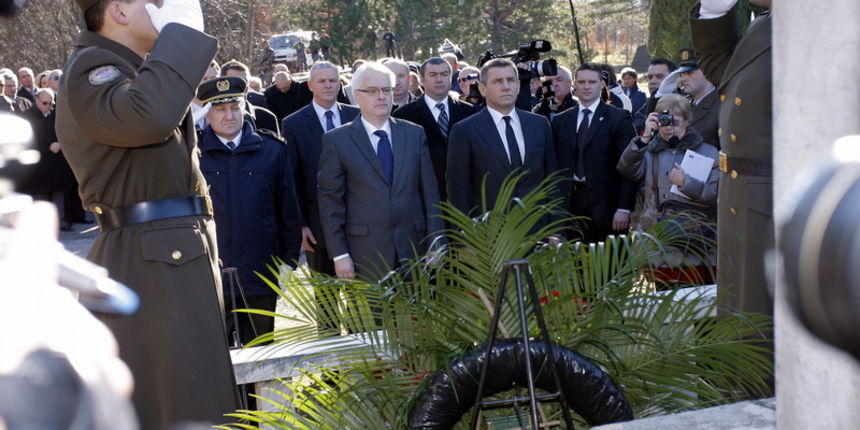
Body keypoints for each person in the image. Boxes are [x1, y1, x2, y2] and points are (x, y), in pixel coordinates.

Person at [54, 1, 238, 427]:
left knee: (194, 392)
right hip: (151, 259)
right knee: (181, 402)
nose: (163, 8)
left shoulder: (129, 69)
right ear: (118, 10)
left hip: (165, 255)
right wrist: (183, 36)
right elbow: (147, 117)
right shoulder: (93, 67)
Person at [196, 76, 301, 345]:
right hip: (211, 273)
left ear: (244, 108)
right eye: (220, 109)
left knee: (261, 350)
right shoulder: (194, 156)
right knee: (219, 354)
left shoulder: (272, 150)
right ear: (207, 114)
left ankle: (256, 391)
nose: (229, 115)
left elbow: (287, 210)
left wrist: (288, 261)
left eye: (234, 107)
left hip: (259, 270)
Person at [317, 62, 443, 281]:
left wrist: (436, 242)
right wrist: (340, 254)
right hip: (365, 252)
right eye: (373, 91)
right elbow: (330, 203)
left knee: (415, 314)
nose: (381, 96)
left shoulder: (414, 134)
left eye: (386, 90)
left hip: (415, 248)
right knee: (372, 315)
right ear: (357, 96)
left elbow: (430, 194)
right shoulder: (337, 140)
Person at [690, 0, 774, 316]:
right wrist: (714, 10)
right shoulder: (765, 24)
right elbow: (723, 71)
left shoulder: (815, 28)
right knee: (737, 314)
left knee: (759, 323)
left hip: (770, 198)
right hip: (741, 195)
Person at [447, 58, 558, 224]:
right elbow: (458, 192)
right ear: (482, 89)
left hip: (537, 232)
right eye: (498, 81)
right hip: (488, 236)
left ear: (519, 86)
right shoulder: (464, 131)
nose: (506, 86)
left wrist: (556, 232)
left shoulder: (539, 125)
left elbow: (552, 182)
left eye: (511, 80)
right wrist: (464, 242)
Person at [281, 61, 360, 278]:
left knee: (362, 298)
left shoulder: (357, 116)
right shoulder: (293, 124)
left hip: (359, 220)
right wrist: (302, 225)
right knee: (326, 302)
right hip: (317, 225)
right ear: (310, 86)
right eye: (322, 81)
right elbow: (292, 177)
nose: (328, 85)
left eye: (333, 80)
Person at [616, 93, 719, 256]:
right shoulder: (649, 150)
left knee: (694, 281)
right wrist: (644, 137)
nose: (669, 127)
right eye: (664, 121)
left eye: (675, 122)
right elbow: (627, 169)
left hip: (696, 238)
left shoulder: (708, 153)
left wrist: (686, 182)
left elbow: (715, 196)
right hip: (656, 238)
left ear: (687, 121)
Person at [552, 62, 637, 243]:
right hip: (570, 208)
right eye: (581, 82)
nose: (586, 86)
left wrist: (624, 207)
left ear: (602, 84)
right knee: (576, 268)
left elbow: (630, 165)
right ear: (574, 84)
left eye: (592, 82)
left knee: (608, 268)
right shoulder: (561, 121)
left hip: (608, 209)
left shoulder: (619, 118)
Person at [393, 57, 476, 201]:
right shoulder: (403, 116)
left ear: (451, 78)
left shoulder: (469, 112)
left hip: (466, 197)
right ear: (421, 80)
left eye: (444, 74)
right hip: (425, 198)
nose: (439, 79)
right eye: (433, 75)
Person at [677, 59, 719, 148]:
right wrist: (659, 95)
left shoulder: (720, 105)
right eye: (682, 74)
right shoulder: (684, 104)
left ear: (707, 71)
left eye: (689, 72)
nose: (683, 79)